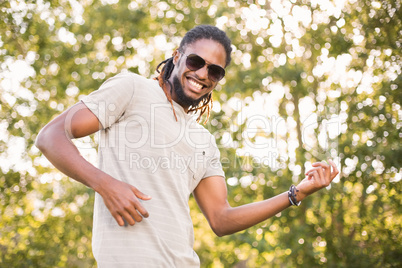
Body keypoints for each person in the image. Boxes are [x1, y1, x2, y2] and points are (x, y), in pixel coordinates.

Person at [35, 25, 339, 267]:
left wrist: (296, 193)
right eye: (196, 61)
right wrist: (106, 185)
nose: (202, 74)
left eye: (214, 71)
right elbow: (50, 136)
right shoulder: (132, 89)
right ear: (177, 55)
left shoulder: (203, 140)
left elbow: (221, 219)